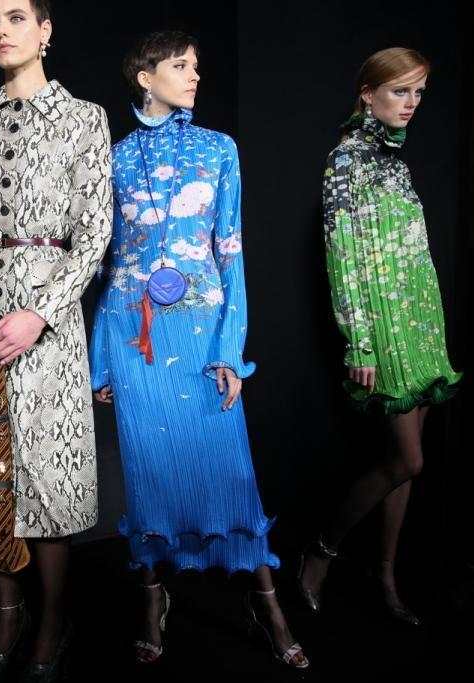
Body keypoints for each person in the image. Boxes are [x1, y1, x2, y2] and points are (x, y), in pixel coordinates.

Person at [89, 30, 308, 669]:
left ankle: (266, 603)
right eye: (180, 65)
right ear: (144, 77)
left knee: (231, 476)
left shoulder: (219, 149)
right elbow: (107, 267)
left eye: (196, 66)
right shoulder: (113, 158)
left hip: (204, 332)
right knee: (149, 477)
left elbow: (231, 251)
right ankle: (152, 598)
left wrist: (230, 354)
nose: (194, 76)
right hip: (135, 341)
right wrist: (101, 359)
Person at [0, 1, 111, 680]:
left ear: (45, 30)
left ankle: (54, 620)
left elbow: (94, 230)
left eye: (15, 17)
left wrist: (40, 312)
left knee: (47, 476)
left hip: (46, 325)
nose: (2, 31)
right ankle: (8, 616)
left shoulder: (84, 117)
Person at [298, 47, 462, 626]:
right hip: (384, 329)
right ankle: (322, 550)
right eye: (400, 91)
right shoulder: (345, 159)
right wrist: (360, 341)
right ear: (368, 94)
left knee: (404, 461)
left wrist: (431, 325)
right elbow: (342, 256)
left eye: (418, 92)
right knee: (409, 460)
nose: (411, 102)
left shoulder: (395, 159)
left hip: (420, 323)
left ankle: (385, 573)